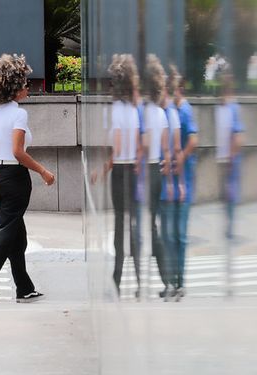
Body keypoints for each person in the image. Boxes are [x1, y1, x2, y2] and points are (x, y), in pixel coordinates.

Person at [0, 54, 55, 304]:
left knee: (16, 234)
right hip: (15, 178)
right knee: (5, 233)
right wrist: (43, 171)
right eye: (25, 83)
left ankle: (24, 288)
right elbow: (18, 151)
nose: (28, 87)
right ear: (13, 88)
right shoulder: (18, 114)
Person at [107, 54, 142, 296]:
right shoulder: (135, 109)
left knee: (120, 223)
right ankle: (140, 279)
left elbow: (116, 145)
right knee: (135, 223)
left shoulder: (116, 110)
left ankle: (117, 279)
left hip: (119, 168)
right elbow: (140, 142)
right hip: (134, 168)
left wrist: (105, 165)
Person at [143, 54, 172, 299]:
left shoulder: (140, 113)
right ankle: (167, 280)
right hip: (155, 172)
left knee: (140, 228)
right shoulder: (161, 114)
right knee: (152, 227)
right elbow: (166, 153)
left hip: (141, 171)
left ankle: (145, 280)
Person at [172, 75, 199, 299]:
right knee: (172, 233)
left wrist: (180, 159)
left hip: (184, 180)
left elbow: (193, 140)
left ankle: (179, 280)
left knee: (179, 233)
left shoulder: (184, 110)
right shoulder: (173, 110)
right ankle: (175, 279)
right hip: (173, 180)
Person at [160, 65, 183, 300]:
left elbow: (174, 150)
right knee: (165, 232)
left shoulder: (172, 114)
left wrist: (175, 183)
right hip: (164, 179)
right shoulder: (164, 112)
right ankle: (171, 282)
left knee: (169, 233)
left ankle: (174, 283)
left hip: (169, 180)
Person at [215, 75, 244, 240]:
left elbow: (238, 137)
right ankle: (228, 225)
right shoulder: (222, 107)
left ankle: (230, 227)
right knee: (227, 194)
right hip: (224, 157)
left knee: (230, 194)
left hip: (230, 159)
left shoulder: (233, 108)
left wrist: (231, 158)